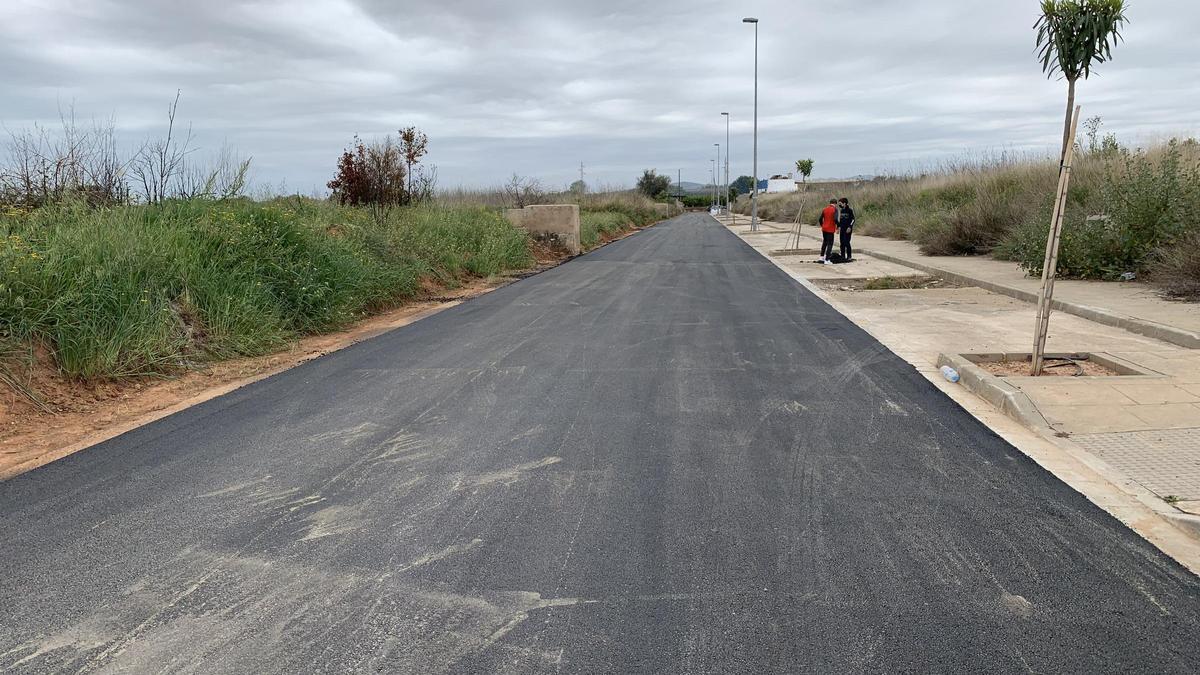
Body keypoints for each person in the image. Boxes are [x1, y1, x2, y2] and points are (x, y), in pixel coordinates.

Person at [819, 199, 838, 264]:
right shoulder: (835, 209)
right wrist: (838, 225)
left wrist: (822, 225)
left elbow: (820, 219)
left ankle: (821, 257)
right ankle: (827, 259)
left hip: (824, 228)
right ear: (835, 204)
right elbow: (835, 219)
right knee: (830, 244)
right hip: (830, 229)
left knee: (825, 242)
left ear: (830, 203)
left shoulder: (825, 209)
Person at [837, 197, 855, 262]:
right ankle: (842, 256)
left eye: (840, 203)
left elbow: (853, 219)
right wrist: (838, 227)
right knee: (842, 243)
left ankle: (849, 256)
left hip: (847, 229)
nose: (839, 205)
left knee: (847, 242)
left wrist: (850, 227)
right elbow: (840, 220)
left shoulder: (850, 210)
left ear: (844, 203)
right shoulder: (842, 210)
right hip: (842, 229)